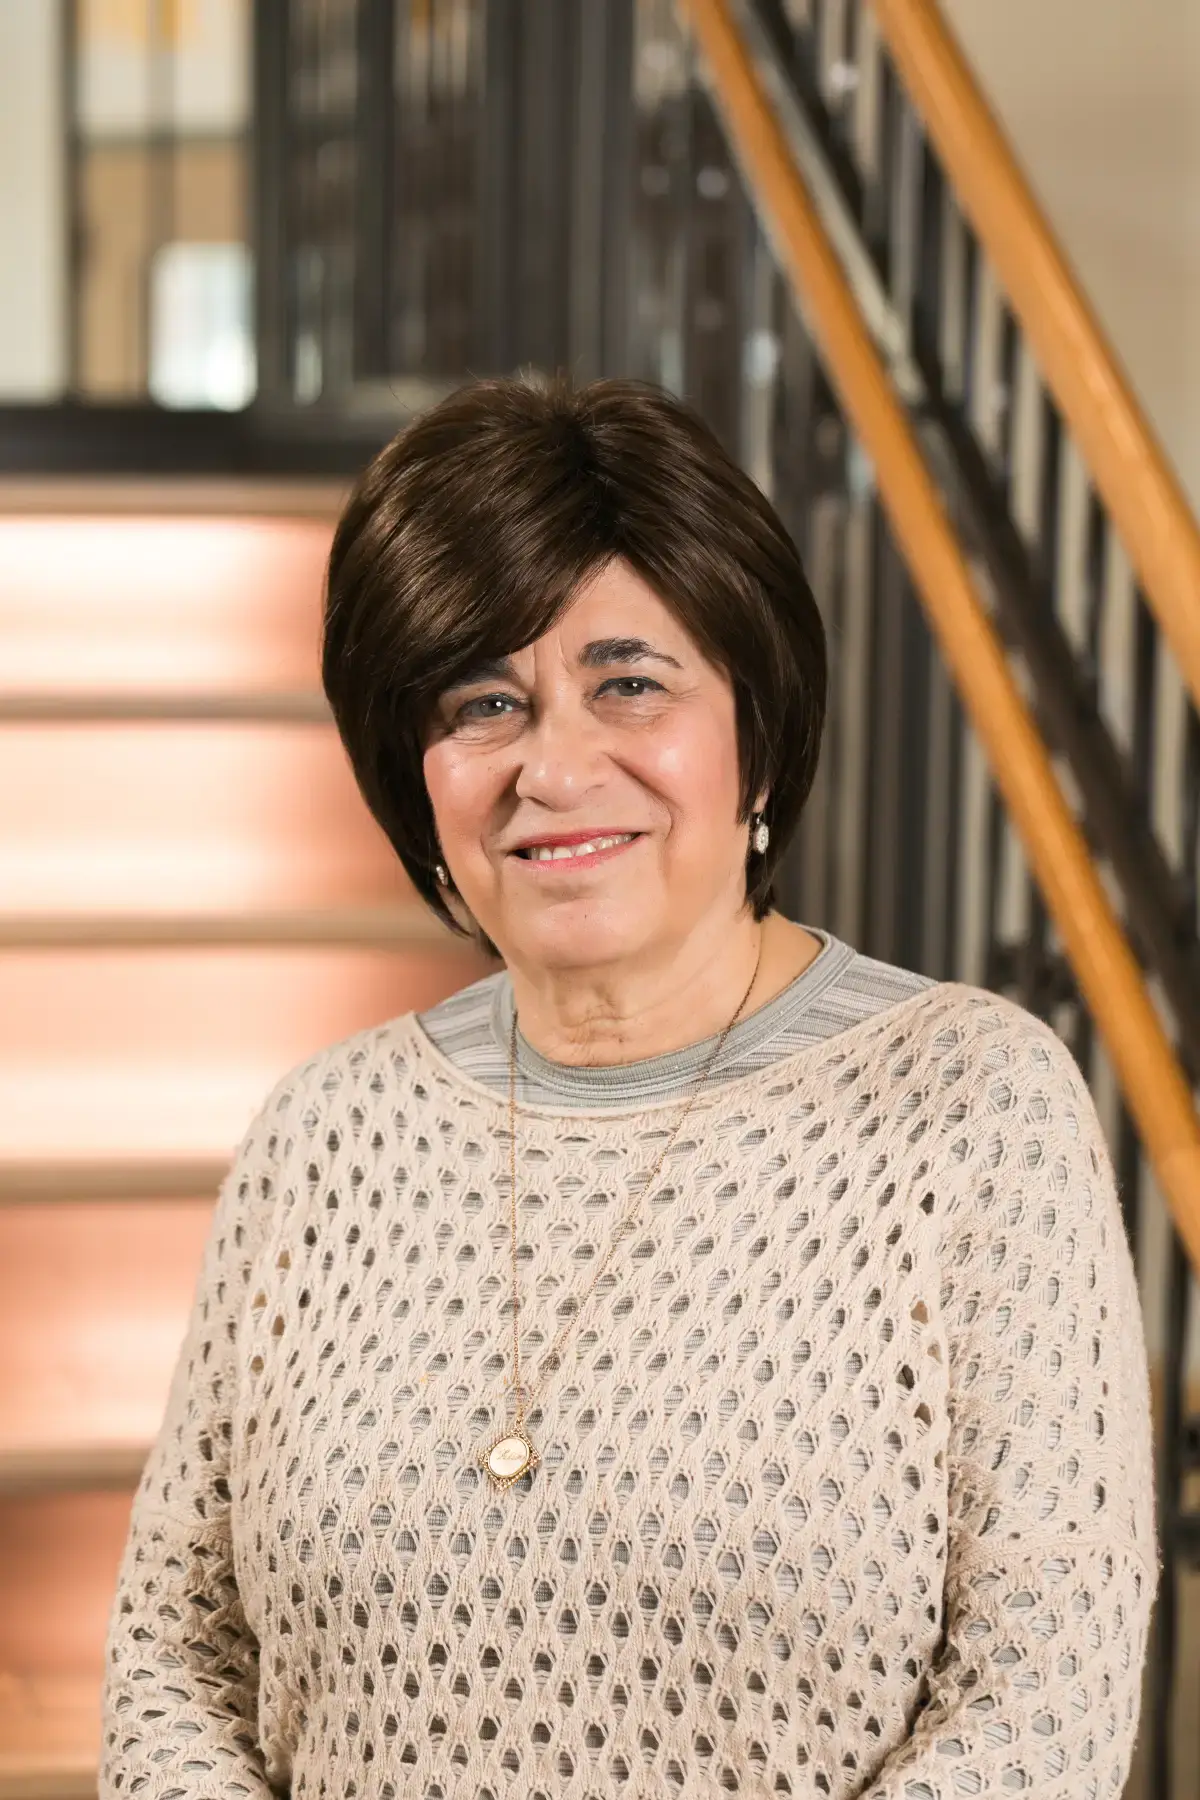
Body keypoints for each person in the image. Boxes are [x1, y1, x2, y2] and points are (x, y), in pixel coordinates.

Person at [99, 373, 1159, 1799]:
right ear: (417, 776)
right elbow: (174, 1652)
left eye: (630, 684)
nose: (555, 766)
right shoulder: (323, 1137)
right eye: (485, 701)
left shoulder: (977, 1112)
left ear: (755, 732)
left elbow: (1046, 1696)